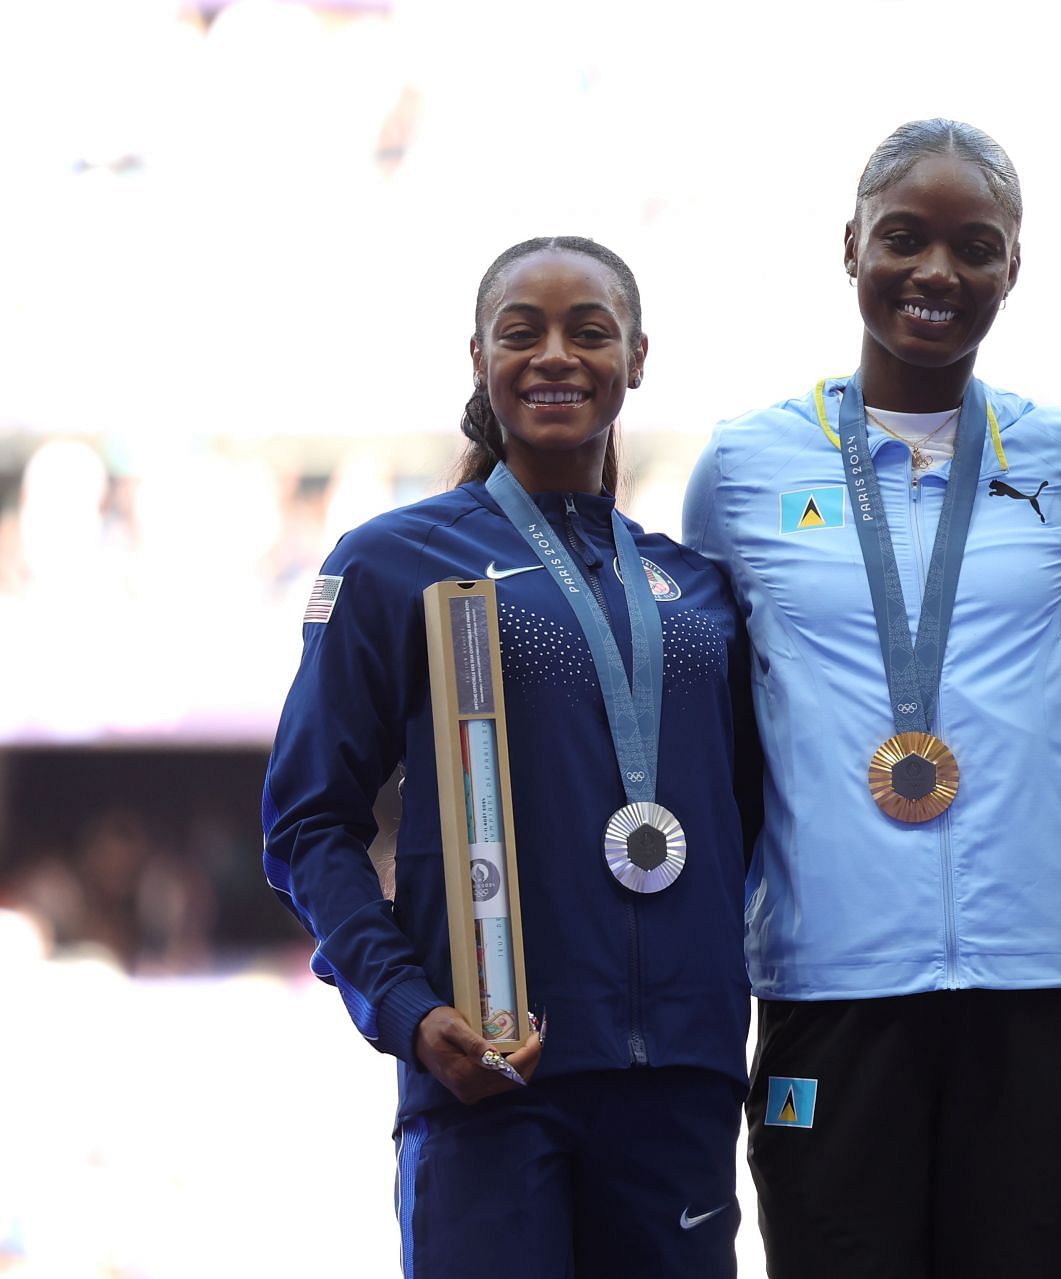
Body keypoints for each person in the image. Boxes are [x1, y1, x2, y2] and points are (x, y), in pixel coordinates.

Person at [263, 236, 759, 1278]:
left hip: (681, 1083)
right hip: (490, 1077)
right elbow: (307, 821)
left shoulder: (699, 591)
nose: (555, 357)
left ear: (637, 356)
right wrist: (407, 1007)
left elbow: (744, 819)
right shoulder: (396, 562)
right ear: (481, 356)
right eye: (521, 331)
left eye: (590, 331)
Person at [682, 119, 1061, 1278]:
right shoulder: (742, 471)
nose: (937, 272)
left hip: (1048, 976)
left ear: (1013, 270)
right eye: (905, 239)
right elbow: (717, 718)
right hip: (830, 977)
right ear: (851, 247)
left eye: (975, 246)